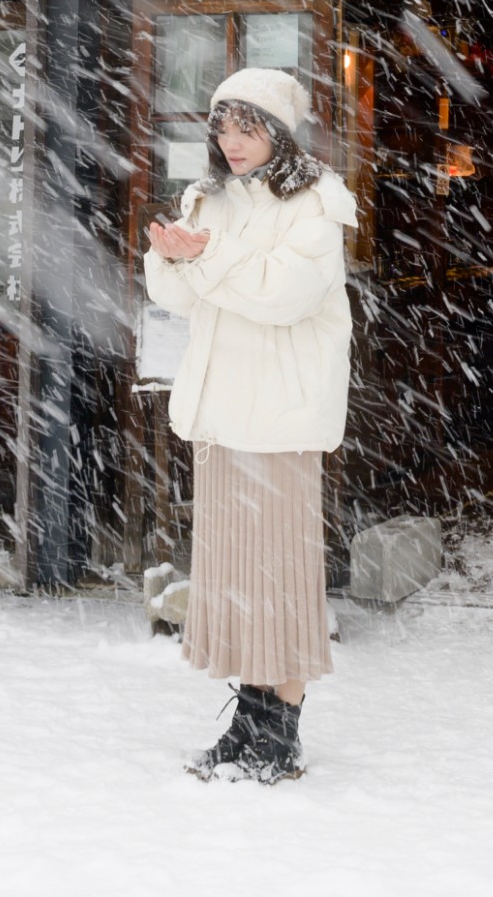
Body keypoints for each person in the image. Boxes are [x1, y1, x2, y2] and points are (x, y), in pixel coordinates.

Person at [143, 67, 357, 784]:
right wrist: (172, 254)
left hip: (283, 413)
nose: (231, 142)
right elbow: (174, 293)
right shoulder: (209, 198)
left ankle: (281, 733)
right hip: (222, 408)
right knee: (237, 573)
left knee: (284, 577)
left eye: (248, 127)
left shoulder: (318, 202)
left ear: (280, 133)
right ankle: (250, 720)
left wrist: (209, 259)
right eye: (223, 128)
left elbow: (285, 296)